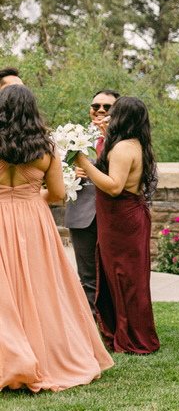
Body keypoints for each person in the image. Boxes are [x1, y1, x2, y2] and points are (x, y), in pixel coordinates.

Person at [0, 84, 114, 391]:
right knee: (39, 289)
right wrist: (30, 196)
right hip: (33, 221)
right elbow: (59, 194)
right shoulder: (45, 147)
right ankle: (44, 354)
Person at [76, 95, 159, 354]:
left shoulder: (124, 148)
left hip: (122, 219)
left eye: (114, 112)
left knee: (125, 279)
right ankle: (126, 331)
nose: (106, 116)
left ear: (122, 116)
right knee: (122, 277)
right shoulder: (132, 143)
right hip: (120, 218)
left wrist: (85, 164)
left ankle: (133, 338)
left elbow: (113, 187)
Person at [62, 88, 117, 308]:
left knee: (114, 277)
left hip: (114, 216)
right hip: (82, 217)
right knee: (87, 278)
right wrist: (68, 173)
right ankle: (91, 329)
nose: (100, 110)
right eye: (96, 106)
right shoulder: (74, 137)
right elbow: (53, 170)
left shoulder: (125, 140)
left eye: (107, 107)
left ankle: (116, 328)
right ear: (90, 110)